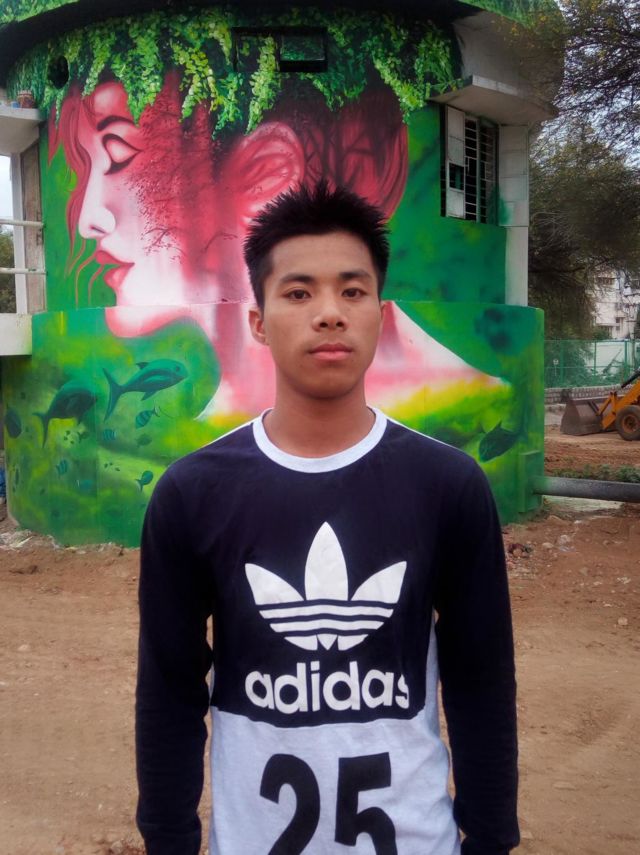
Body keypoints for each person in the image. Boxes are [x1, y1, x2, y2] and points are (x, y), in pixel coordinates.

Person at [135, 182, 519, 854]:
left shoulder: (448, 486)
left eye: (352, 290)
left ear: (382, 314)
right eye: (298, 292)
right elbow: (170, 687)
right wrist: (168, 840)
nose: (330, 314)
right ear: (258, 320)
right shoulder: (191, 493)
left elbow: (480, 678)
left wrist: (489, 838)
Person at [51, 74, 504, 425]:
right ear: (259, 323)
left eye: (118, 154)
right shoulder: (193, 482)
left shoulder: (456, 463)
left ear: (264, 174)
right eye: (299, 293)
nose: (89, 218)